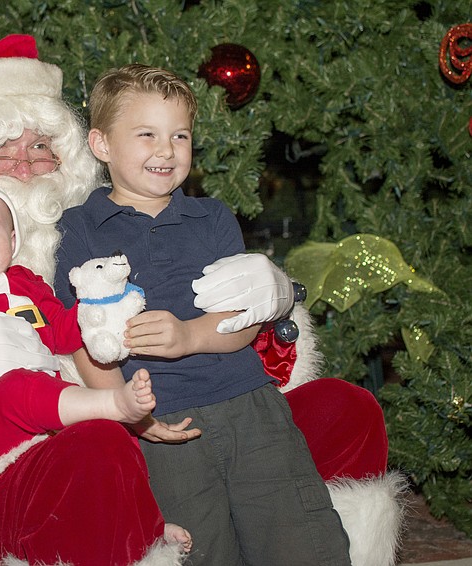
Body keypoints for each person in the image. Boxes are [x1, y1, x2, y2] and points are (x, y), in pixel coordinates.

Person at [0, 33, 398, 566]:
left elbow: (207, 319)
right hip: (15, 461)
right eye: (1, 151)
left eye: (41, 147)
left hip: (173, 411)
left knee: (343, 412)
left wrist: (278, 298)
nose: (29, 167)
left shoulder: (94, 212)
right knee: (101, 455)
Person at [53, 64, 352, 565]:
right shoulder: (78, 228)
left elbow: (243, 319)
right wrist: (126, 411)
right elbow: (82, 338)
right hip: (163, 425)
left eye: (180, 135)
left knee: (303, 538)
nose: (166, 149)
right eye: (146, 134)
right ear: (102, 144)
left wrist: (189, 334)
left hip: (249, 407)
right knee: (200, 550)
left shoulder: (211, 217)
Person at [0, 179, 194, 551]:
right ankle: (112, 403)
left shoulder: (27, 285)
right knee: (20, 389)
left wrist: (96, 305)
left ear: (12, 241)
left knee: (112, 436)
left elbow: (64, 334)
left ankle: (147, 523)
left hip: (39, 421)